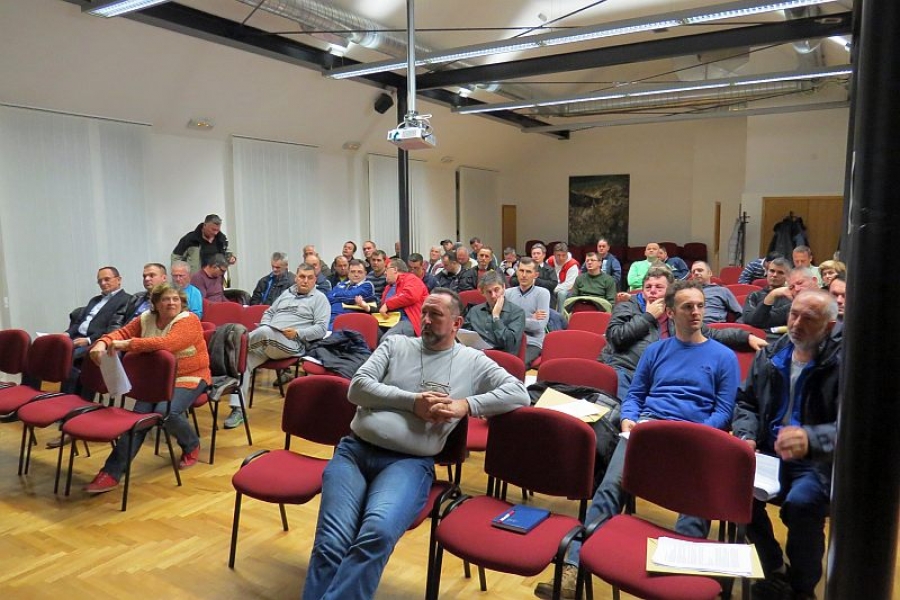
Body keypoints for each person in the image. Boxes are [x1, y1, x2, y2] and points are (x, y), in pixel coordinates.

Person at [302, 289, 529, 600]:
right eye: (424, 312)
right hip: (354, 452)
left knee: (376, 533)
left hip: (407, 463)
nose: (426, 320)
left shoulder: (472, 361)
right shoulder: (396, 344)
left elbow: (519, 393)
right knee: (331, 542)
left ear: (456, 323)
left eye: (435, 314)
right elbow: (357, 388)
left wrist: (466, 405)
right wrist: (412, 402)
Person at [535, 280, 742, 599]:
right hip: (647, 430)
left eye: (700, 306)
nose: (696, 312)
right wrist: (629, 417)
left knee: (694, 506)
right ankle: (573, 567)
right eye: (688, 306)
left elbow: (724, 411)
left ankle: (679, 584)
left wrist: (699, 433)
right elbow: (635, 395)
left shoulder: (724, 357)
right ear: (670, 312)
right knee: (608, 490)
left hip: (695, 435)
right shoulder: (656, 351)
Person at [732, 290, 840, 600]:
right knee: (735, 489)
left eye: (809, 318)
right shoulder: (770, 355)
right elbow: (747, 403)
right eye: (794, 314)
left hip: (816, 459)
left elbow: (858, 427)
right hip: (769, 452)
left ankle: (802, 588)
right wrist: (746, 435)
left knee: (802, 504)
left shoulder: (842, 364)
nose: (796, 323)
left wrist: (811, 438)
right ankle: (773, 566)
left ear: (829, 326)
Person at [84, 283, 211, 493]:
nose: (171, 303)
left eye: (176, 299)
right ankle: (111, 472)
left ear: (182, 303)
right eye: (166, 299)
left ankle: (191, 444)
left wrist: (128, 345)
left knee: (165, 412)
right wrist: (102, 343)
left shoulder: (189, 320)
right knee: (138, 421)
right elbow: (122, 332)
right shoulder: (146, 319)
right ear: (156, 303)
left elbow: (168, 343)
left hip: (189, 377)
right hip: (156, 379)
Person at [601, 267, 765, 400]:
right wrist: (648, 316)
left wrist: (746, 337)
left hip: (663, 374)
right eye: (648, 287)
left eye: (659, 287)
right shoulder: (628, 306)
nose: (652, 292)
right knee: (625, 413)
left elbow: (712, 333)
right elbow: (616, 338)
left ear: (670, 292)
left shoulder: (677, 313)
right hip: (628, 370)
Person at [224, 263, 330, 429]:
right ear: (296, 278)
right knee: (243, 360)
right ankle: (238, 410)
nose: (305, 281)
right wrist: (266, 324)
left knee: (255, 338)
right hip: (267, 339)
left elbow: (321, 329)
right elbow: (269, 312)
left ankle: (230, 347)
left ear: (315, 280)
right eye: (302, 277)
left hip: (292, 343)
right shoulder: (286, 293)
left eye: (310, 278)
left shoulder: (320, 299)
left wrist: (298, 333)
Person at [65, 266, 131, 361]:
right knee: (50, 349)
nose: (103, 283)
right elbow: (79, 322)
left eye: (107, 279)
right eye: (100, 281)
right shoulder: (94, 300)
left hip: (95, 342)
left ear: (119, 280)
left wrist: (89, 340)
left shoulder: (126, 300)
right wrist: (67, 334)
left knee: (64, 358)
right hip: (76, 338)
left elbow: (114, 328)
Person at [743, 266, 819, 336]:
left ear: (814, 281)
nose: (796, 289)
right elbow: (758, 322)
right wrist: (772, 295)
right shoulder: (792, 307)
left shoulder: (825, 303)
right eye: (791, 287)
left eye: (800, 283)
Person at [462, 271, 525, 355]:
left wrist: (496, 317)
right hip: (475, 355)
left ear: (503, 287)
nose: (493, 295)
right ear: (482, 292)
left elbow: (509, 344)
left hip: (501, 358)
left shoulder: (517, 312)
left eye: (496, 290)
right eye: (489, 292)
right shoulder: (474, 311)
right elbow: (464, 336)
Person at [504, 257, 551, 368]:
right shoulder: (508, 293)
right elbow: (502, 321)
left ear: (536, 275)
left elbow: (540, 325)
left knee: (516, 366)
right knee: (496, 363)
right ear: (517, 272)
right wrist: (530, 318)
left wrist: (513, 320)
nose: (524, 275)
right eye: (521, 270)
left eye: (528, 271)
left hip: (532, 342)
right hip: (510, 340)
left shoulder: (542, 293)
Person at [374, 259, 429, 340]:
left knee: (388, 340)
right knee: (369, 336)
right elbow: (381, 307)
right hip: (387, 322)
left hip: (408, 321)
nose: (385, 273)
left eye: (387, 269)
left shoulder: (411, 279)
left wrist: (387, 305)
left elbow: (410, 295)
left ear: (395, 269)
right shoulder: (388, 287)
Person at [171, 214, 236, 274]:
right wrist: (181, 274)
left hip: (217, 278)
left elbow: (226, 253)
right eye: (213, 230)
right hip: (196, 278)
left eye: (217, 230)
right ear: (205, 225)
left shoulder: (221, 239)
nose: (215, 233)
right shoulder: (190, 239)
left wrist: (230, 257)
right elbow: (176, 257)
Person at [326, 259, 377, 328]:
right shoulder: (341, 284)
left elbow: (350, 297)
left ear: (365, 273)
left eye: (359, 272)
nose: (356, 275)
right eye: (353, 272)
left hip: (350, 319)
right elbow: (328, 298)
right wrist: (342, 297)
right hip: (330, 316)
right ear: (348, 273)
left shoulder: (367, 285)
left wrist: (335, 295)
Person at [550, 242, 580, 311]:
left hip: (568, 290)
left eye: (563, 255)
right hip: (553, 287)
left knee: (562, 293)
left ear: (567, 254)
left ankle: (560, 315)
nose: (561, 258)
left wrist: (553, 289)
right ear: (554, 254)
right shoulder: (549, 261)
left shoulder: (572, 265)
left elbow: (569, 285)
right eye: (558, 255)